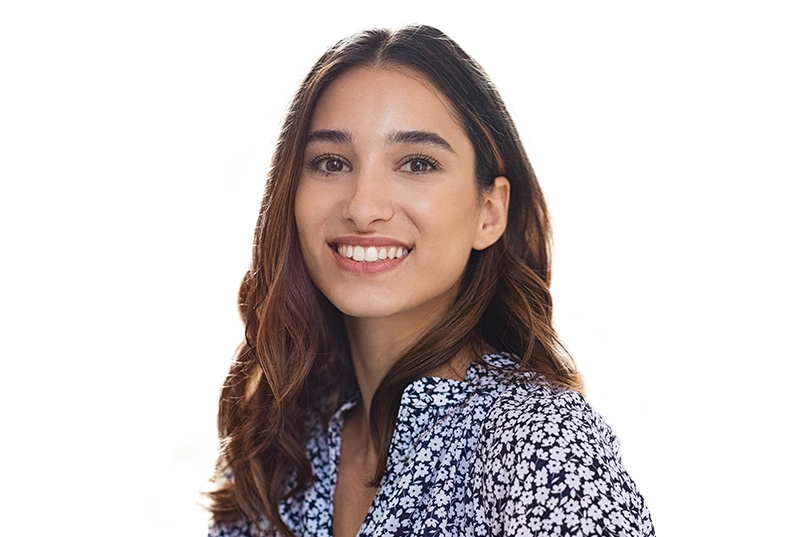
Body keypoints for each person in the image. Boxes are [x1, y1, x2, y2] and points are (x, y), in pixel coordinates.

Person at [207, 25, 655, 537]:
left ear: (489, 212)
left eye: (416, 163)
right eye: (332, 162)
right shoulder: (278, 444)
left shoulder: (543, 442)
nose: (363, 206)